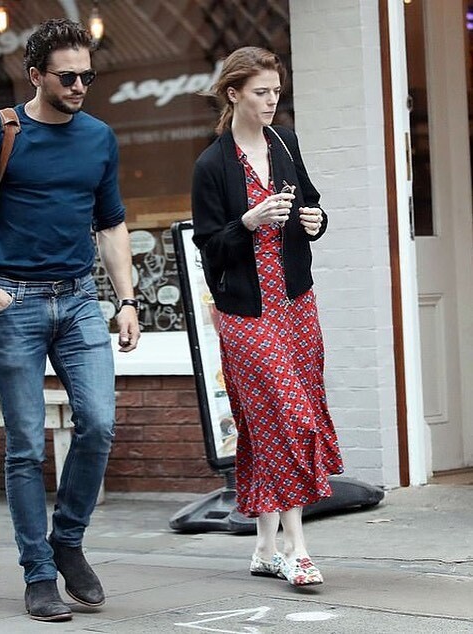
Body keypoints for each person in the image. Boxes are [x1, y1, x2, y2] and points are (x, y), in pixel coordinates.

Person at [0, 18, 140, 622]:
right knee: (26, 445)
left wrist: (128, 300)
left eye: (87, 76)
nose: (80, 86)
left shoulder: (99, 138)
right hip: (14, 302)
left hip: (79, 300)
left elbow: (111, 224)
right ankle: (37, 573)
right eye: (67, 77)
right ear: (35, 75)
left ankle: (67, 541)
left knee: (99, 424)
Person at [191, 46, 344, 587]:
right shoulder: (211, 166)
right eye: (261, 92)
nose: (272, 100)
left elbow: (312, 204)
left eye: (276, 91)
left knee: (265, 426)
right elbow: (209, 247)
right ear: (233, 94)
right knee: (289, 419)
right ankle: (297, 550)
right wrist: (249, 221)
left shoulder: (285, 143)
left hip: (296, 305)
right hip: (247, 314)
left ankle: (263, 547)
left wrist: (315, 220)